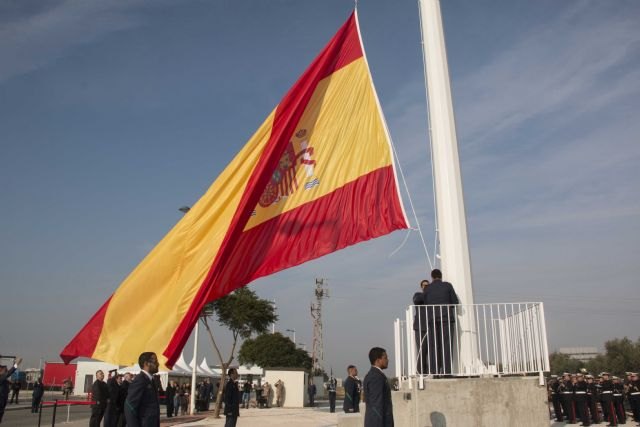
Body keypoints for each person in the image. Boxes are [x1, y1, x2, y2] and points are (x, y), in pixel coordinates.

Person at [423, 269, 459, 375]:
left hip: (432, 319)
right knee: (447, 345)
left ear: (432, 277)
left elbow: (425, 304)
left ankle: (435, 371)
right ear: (441, 276)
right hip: (446, 318)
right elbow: (455, 302)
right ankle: (447, 371)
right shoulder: (447, 286)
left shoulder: (427, 288)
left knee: (434, 345)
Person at [124, 352, 161, 427]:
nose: (158, 364)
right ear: (146, 363)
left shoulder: (151, 380)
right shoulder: (140, 380)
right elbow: (129, 407)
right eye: (155, 361)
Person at [363, 347, 394, 427]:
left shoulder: (374, 375)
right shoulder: (376, 377)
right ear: (378, 360)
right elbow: (376, 406)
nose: (388, 360)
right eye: (385, 358)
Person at [412, 280, 429, 374]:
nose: (426, 287)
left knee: (432, 350)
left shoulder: (432, 296)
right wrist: (427, 293)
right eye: (424, 285)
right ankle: (422, 372)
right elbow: (416, 300)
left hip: (431, 326)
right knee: (422, 350)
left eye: (427, 285)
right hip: (420, 326)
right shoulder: (418, 294)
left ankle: (432, 371)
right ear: (421, 287)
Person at [0, 357, 21, 423]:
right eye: (4, 369)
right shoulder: (1, 378)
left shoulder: (4, 380)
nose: (5, 370)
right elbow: (10, 372)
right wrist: (17, 363)